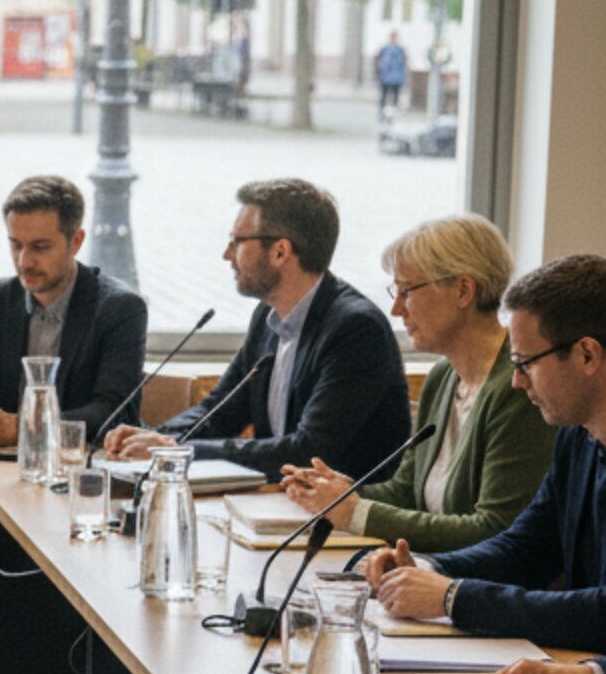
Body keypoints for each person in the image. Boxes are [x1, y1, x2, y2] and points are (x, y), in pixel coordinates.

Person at [363, 254, 606, 647]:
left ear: (587, 355)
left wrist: (452, 597)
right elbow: (525, 549)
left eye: (525, 363)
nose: (515, 382)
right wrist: (425, 568)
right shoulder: (577, 435)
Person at [282, 215, 553, 552]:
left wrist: (356, 512)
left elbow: (495, 529)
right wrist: (338, 492)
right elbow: (406, 492)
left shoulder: (518, 386)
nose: (395, 309)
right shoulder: (442, 376)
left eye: (407, 291)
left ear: (463, 290)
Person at [106, 179, 409, 480]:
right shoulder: (268, 314)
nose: (227, 254)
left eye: (237, 242)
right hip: (278, 503)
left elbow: (308, 452)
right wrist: (151, 439)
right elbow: (219, 412)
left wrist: (173, 449)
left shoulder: (355, 330)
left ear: (280, 252)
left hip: (340, 518)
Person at [0, 174, 148, 444]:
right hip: (6, 464)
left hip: (82, 466)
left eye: (40, 247)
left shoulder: (121, 308)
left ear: (76, 242)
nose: (24, 262)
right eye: (15, 245)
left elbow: (114, 412)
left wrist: (24, 428)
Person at [376, 28, 408, 119]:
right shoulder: (385, 48)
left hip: (396, 76)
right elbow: (379, 62)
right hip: (386, 76)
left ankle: (393, 109)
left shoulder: (400, 49)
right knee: (384, 93)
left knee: (395, 94)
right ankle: (382, 110)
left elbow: (403, 63)